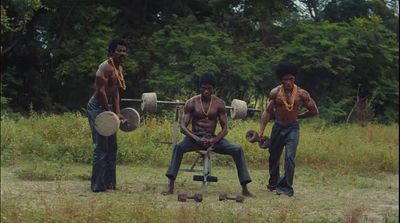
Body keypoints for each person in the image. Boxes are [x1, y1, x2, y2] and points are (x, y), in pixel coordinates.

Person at [161, 73, 253, 197]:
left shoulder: (219, 103)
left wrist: (214, 140)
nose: (206, 91)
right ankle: (170, 186)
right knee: (178, 147)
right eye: (203, 88)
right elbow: (183, 127)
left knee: (237, 149)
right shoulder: (192, 102)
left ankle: (245, 188)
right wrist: (196, 138)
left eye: (208, 88)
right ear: (200, 88)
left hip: (212, 138)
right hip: (194, 137)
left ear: (212, 89)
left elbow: (225, 129)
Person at [258, 61, 318, 197]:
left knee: (290, 157)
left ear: (294, 79)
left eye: (291, 79)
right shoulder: (275, 93)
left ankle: (285, 187)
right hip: (278, 127)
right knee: (274, 156)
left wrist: (299, 116)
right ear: (281, 80)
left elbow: (314, 111)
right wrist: (261, 131)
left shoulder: (302, 94)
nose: (288, 82)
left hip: (293, 128)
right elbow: (267, 112)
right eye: (285, 79)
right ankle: (273, 183)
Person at [86, 38, 128, 192]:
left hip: (108, 107)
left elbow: (115, 92)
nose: (122, 53)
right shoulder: (104, 68)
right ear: (112, 52)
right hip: (97, 107)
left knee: (112, 146)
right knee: (102, 147)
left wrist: (117, 112)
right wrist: (109, 111)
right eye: (119, 50)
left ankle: (110, 183)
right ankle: (97, 186)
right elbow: (101, 92)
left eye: (124, 51)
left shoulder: (119, 69)